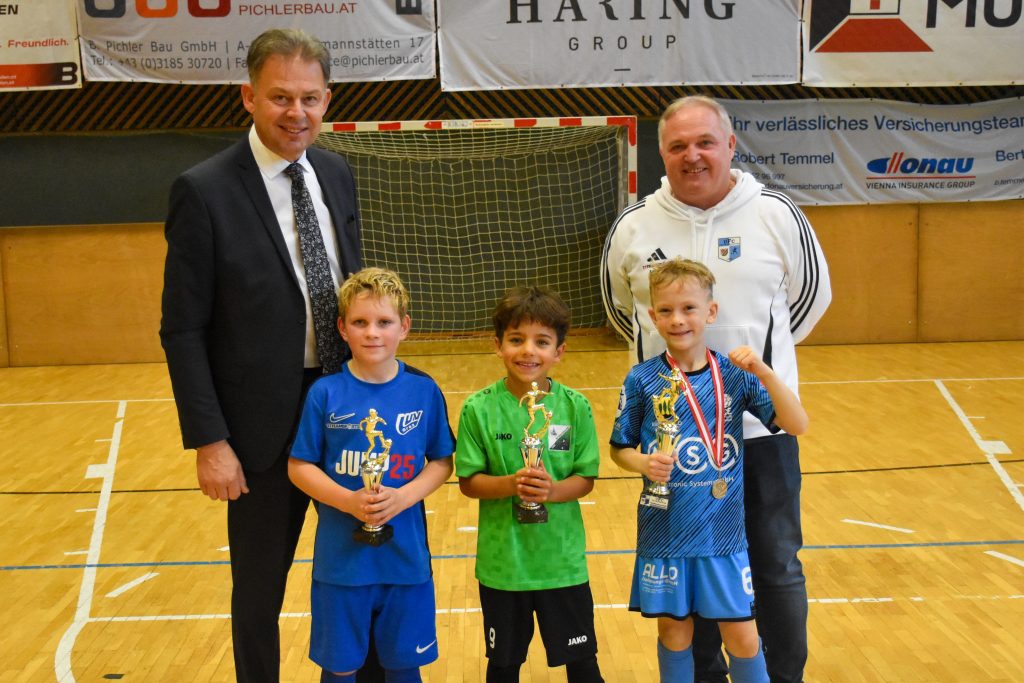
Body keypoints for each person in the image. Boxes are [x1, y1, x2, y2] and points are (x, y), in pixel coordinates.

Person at [159, 28, 372, 682]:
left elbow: (352, 288)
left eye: (309, 98)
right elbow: (182, 329)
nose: (296, 112)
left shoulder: (336, 173)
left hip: (345, 413)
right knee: (258, 592)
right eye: (280, 97)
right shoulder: (204, 190)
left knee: (364, 573)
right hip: (259, 433)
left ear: (327, 100)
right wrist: (210, 440)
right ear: (248, 97)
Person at [599, 95, 831, 683]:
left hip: (758, 433)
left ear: (730, 145)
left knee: (775, 564)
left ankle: (782, 677)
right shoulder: (633, 225)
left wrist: (754, 368)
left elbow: (808, 304)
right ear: (661, 153)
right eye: (678, 145)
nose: (693, 155)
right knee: (688, 566)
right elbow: (625, 314)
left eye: (705, 142)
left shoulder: (776, 213)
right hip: (674, 446)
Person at [610, 258, 809, 683]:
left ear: (711, 312)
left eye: (689, 308)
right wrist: (643, 462)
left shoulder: (735, 375)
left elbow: (797, 424)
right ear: (653, 317)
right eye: (666, 310)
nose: (677, 319)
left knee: (743, 637)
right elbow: (618, 449)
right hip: (664, 533)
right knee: (673, 633)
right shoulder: (641, 379)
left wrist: (764, 371)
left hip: (723, 537)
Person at [288, 267, 455, 682]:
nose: (372, 333)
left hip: (406, 563)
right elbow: (299, 466)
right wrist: (347, 500)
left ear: (404, 327)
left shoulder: (423, 391)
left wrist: (403, 497)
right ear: (342, 328)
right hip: (341, 567)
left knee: (403, 666)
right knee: (341, 668)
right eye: (360, 322)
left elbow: (442, 461)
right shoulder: (325, 393)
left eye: (384, 322)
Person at [455, 286, 605, 683]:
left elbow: (585, 478)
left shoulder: (575, 407)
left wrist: (551, 492)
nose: (528, 351)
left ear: (559, 351)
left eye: (542, 341)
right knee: (503, 667)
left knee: (583, 665)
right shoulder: (478, 409)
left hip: (562, 565)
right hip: (504, 568)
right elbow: (468, 482)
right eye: (516, 339)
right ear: (498, 345)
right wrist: (512, 484)